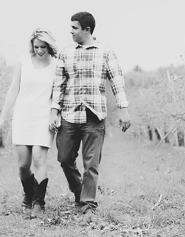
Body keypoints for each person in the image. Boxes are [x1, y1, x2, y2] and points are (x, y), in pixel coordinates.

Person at [50, 11, 130, 214]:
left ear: (87, 29)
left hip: (95, 115)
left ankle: (87, 203)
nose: (71, 32)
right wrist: (54, 111)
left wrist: (123, 109)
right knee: (64, 158)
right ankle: (79, 192)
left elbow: (117, 82)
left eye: (74, 28)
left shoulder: (106, 52)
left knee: (91, 162)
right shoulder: (65, 53)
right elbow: (59, 85)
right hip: (69, 114)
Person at [0, 28, 59, 216]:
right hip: (23, 116)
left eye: (43, 47)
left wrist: (55, 115)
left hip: (44, 118)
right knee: (23, 165)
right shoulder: (23, 62)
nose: (39, 50)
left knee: (39, 159)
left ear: (49, 46)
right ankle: (29, 194)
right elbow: (13, 90)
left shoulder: (57, 65)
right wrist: (3, 116)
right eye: (36, 47)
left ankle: (39, 203)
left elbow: (59, 94)